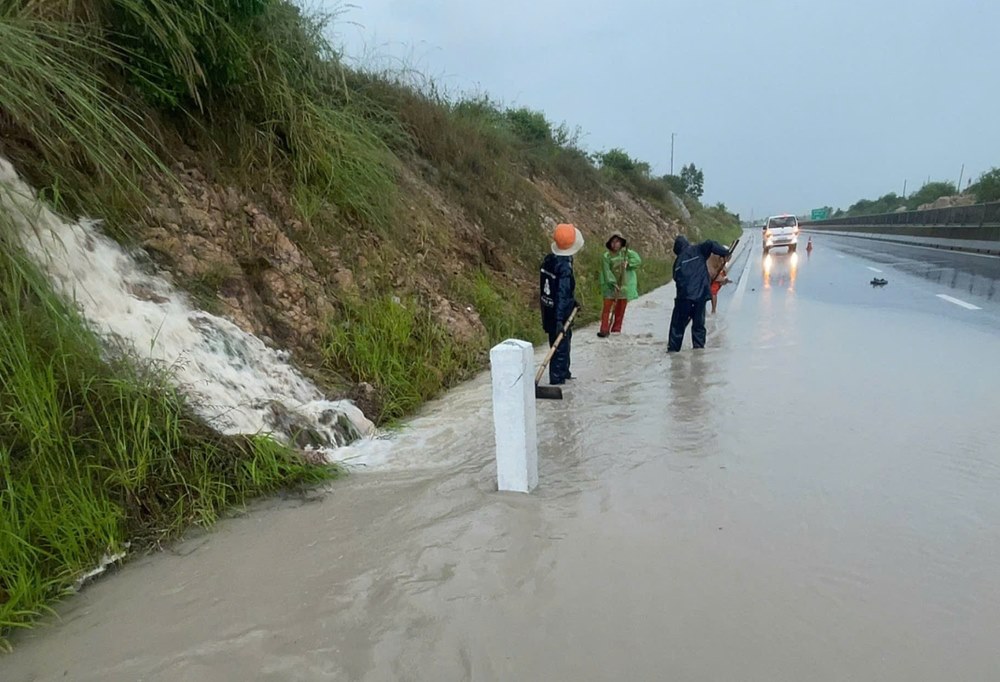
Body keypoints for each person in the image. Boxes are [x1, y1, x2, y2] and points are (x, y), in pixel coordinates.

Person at [667, 235, 731, 352]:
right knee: (699, 327)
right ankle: (699, 352)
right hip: (700, 297)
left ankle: (673, 352)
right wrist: (724, 252)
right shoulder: (698, 249)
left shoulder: (677, 263)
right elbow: (711, 243)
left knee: (677, 327)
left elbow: (677, 280)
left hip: (684, 299)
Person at [540, 223, 583, 385]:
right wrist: (559, 320)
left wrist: (572, 302)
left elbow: (552, 290)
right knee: (560, 349)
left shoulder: (549, 260)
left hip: (549, 310)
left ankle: (565, 373)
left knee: (562, 345)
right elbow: (561, 293)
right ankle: (557, 381)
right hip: (559, 315)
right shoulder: (564, 267)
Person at [597, 234, 642, 337]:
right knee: (606, 309)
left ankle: (616, 330)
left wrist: (628, 263)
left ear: (621, 243)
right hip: (609, 286)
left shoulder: (626, 254)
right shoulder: (606, 256)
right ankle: (604, 329)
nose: (615, 244)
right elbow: (606, 271)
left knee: (620, 310)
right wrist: (613, 283)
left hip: (623, 286)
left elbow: (637, 261)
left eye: (617, 242)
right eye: (613, 242)